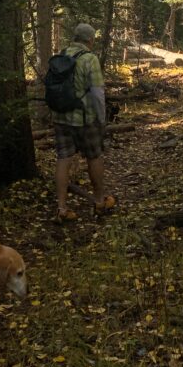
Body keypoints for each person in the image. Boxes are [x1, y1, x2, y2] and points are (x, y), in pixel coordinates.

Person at [51, 23, 116, 222]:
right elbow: (97, 94)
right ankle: (99, 201)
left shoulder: (61, 55)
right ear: (90, 40)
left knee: (63, 159)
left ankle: (62, 208)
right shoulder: (90, 59)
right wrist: (102, 118)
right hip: (85, 119)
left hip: (61, 117)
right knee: (94, 157)